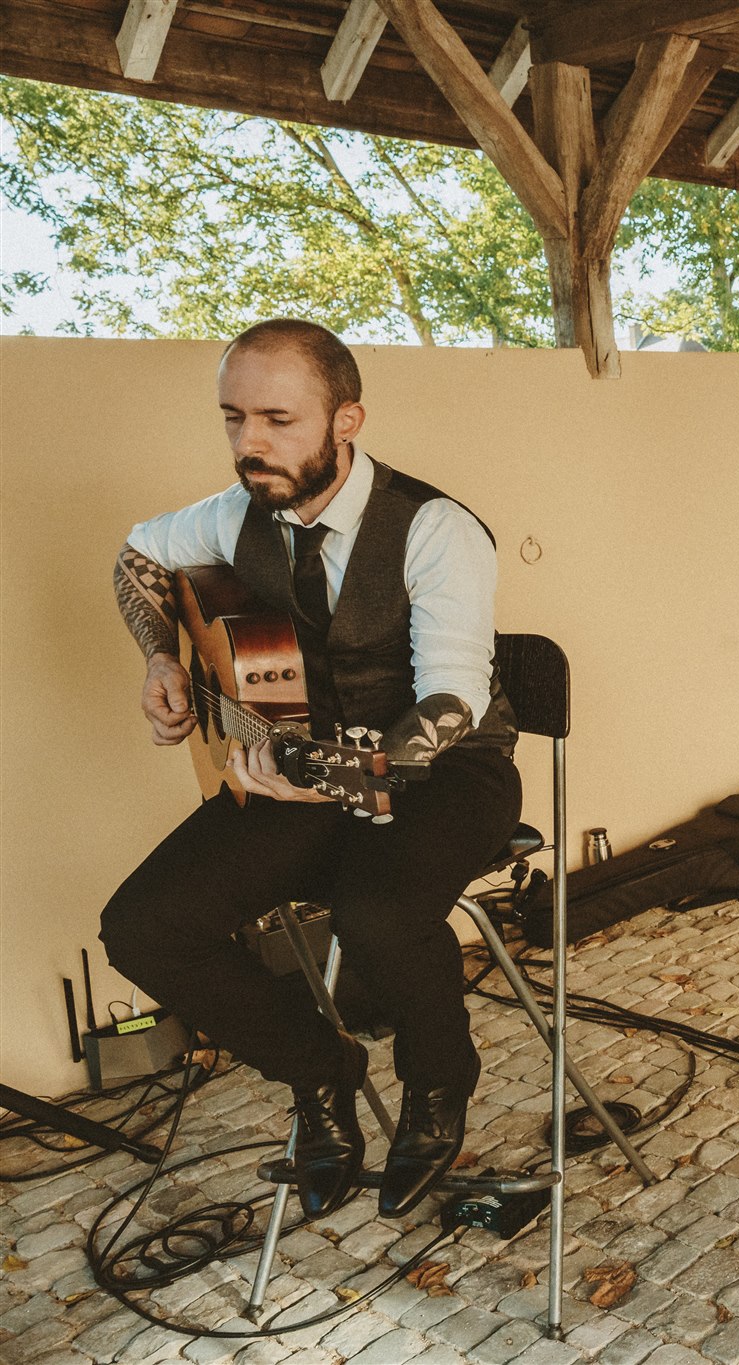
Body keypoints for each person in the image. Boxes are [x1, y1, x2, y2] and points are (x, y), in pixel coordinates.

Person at [100, 319, 521, 1219]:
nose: (250, 444)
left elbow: (452, 706)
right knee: (143, 926)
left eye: (277, 420)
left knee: (375, 915)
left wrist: (329, 773)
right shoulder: (233, 512)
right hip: (302, 761)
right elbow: (137, 558)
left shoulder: (436, 529)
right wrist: (162, 659)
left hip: (450, 772)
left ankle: (441, 1082)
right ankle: (320, 1071)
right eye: (233, 417)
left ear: (347, 420)